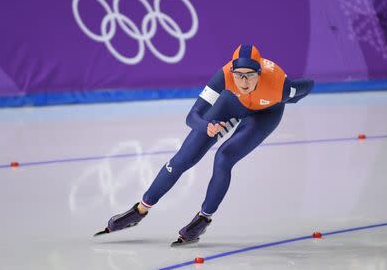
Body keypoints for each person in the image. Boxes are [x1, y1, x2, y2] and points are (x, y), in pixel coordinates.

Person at [95, 44, 314, 245]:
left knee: (223, 158)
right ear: (232, 73)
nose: (243, 82)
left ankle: (203, 219)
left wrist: (290, 97)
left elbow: (307, 86)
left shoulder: (279, 86)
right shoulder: (223, 77)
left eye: (249, 76)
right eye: (238, 76)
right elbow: (192, 116)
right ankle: (140, 210)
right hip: (232, 104)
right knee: (182, 158)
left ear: (259, 73)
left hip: (265, 114)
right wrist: (205, 126)